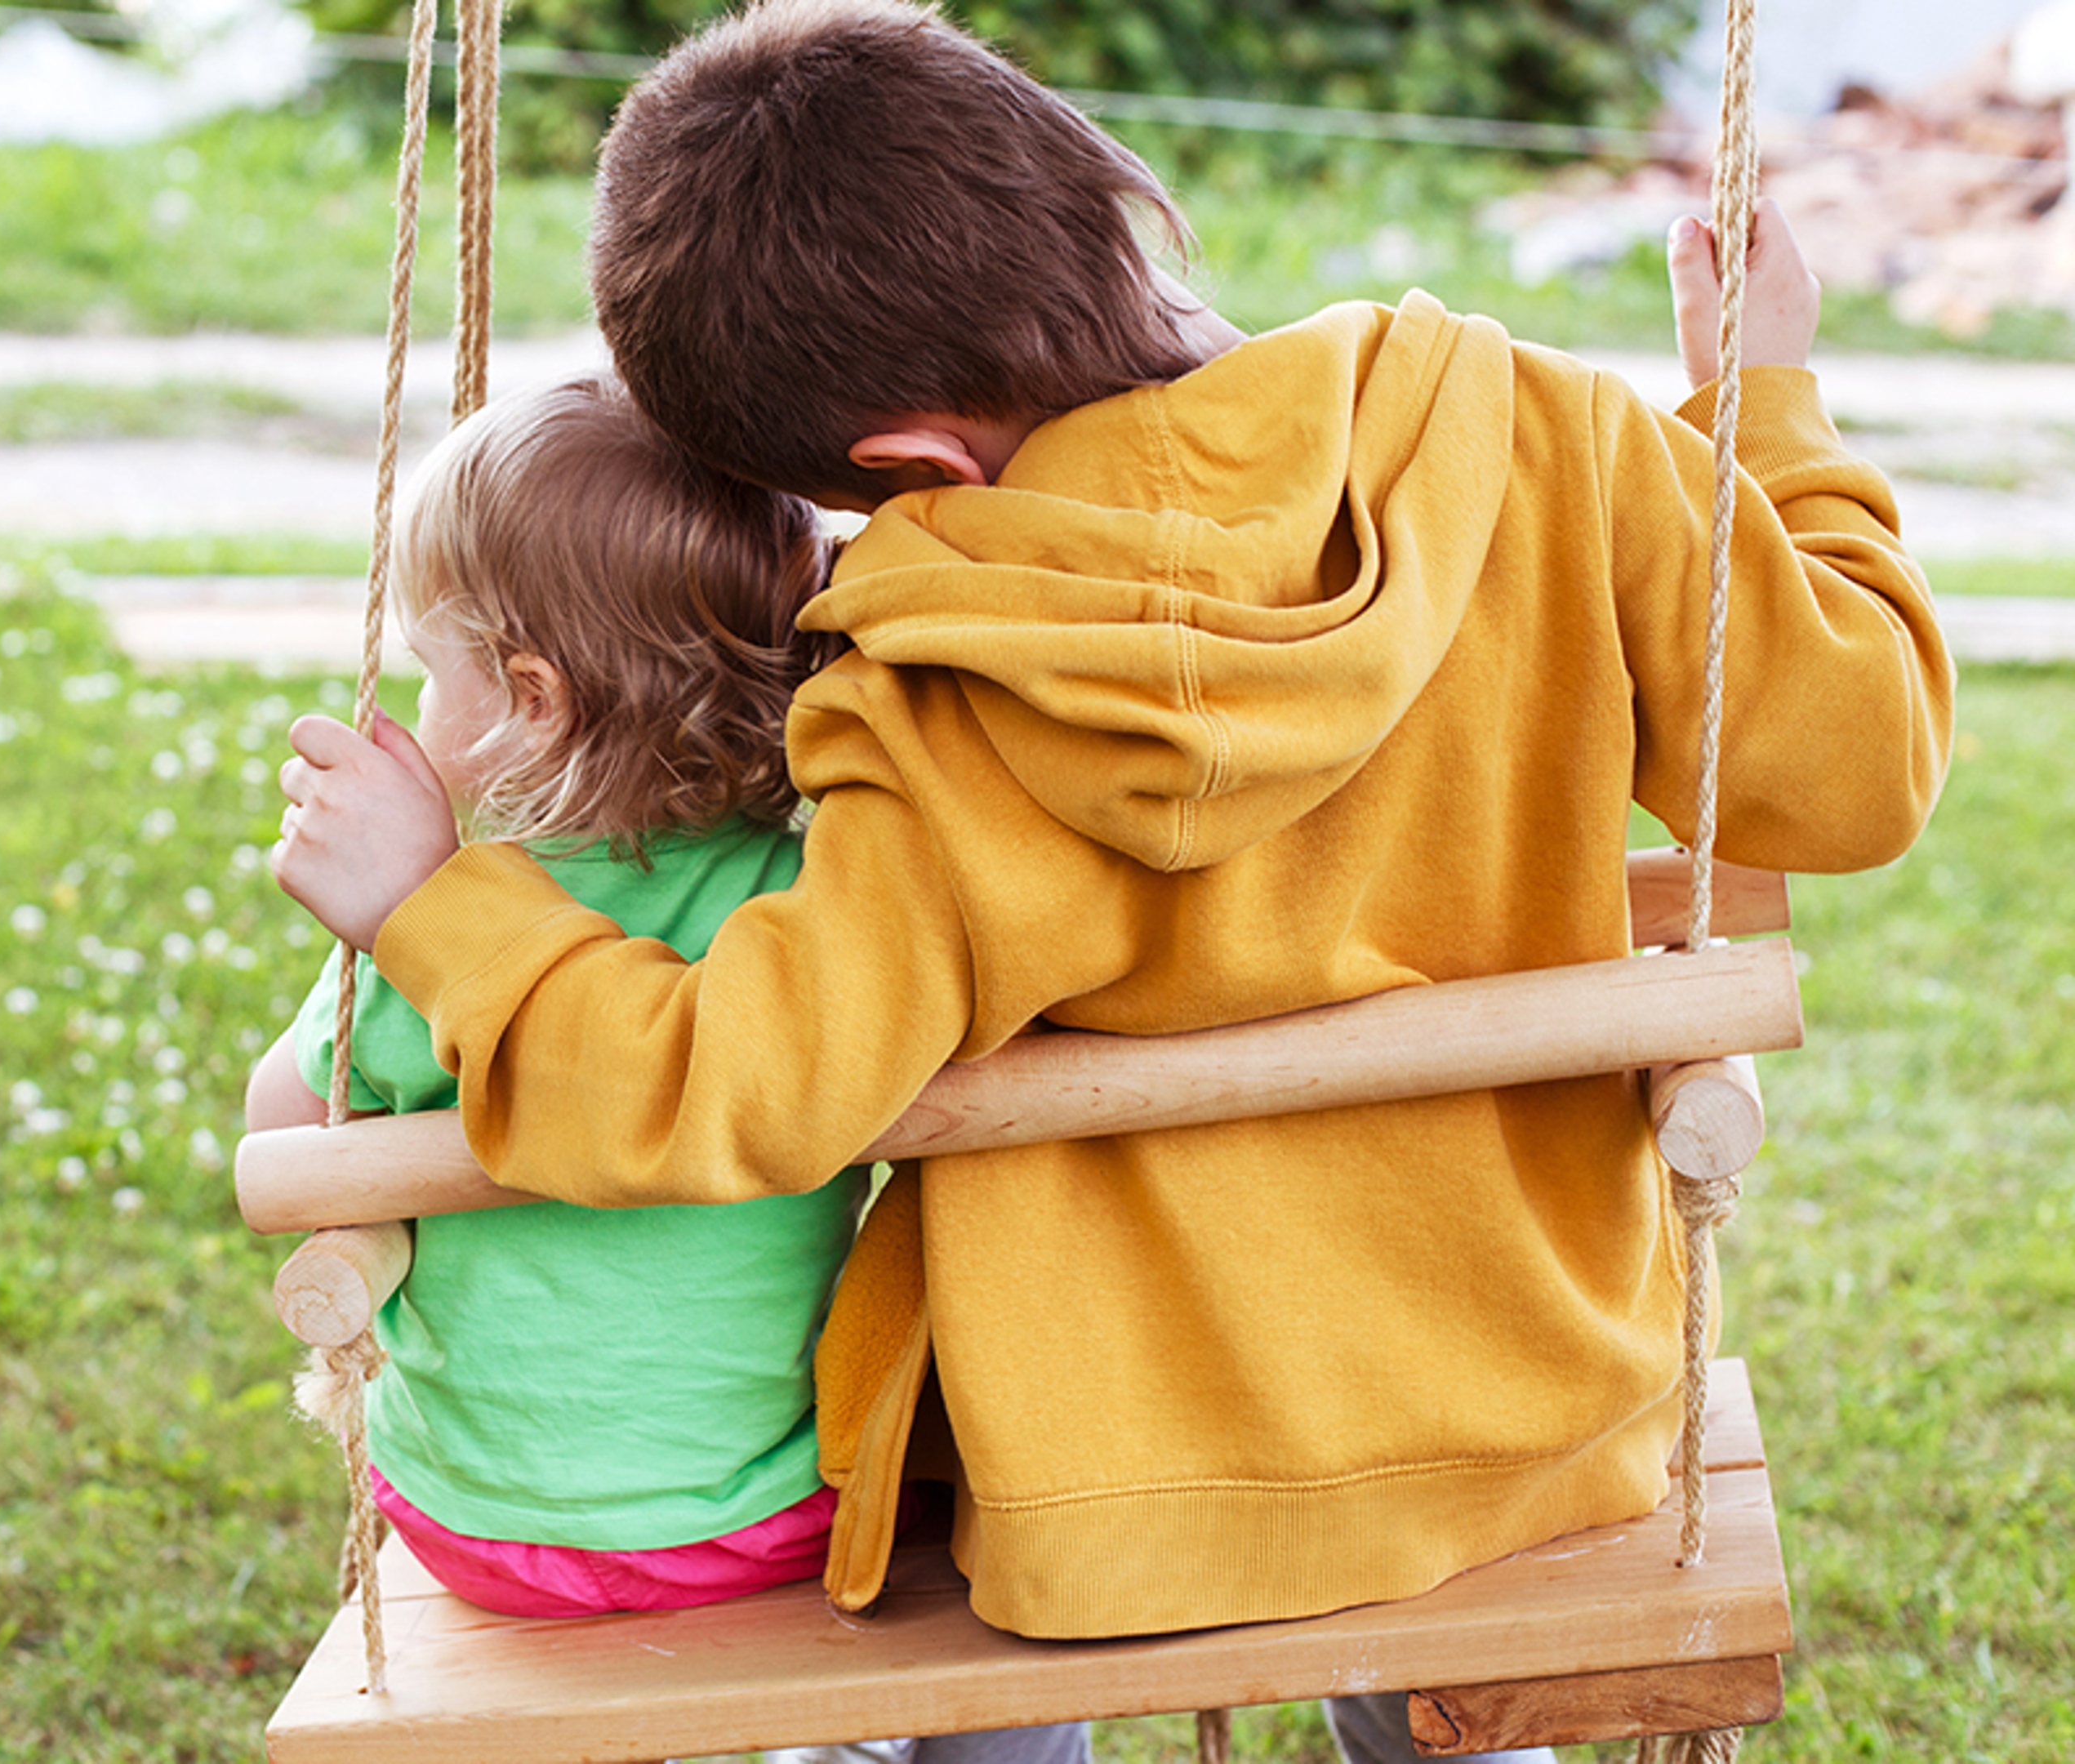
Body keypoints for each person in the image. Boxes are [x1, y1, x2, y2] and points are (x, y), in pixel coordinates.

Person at [267, 1, 1955, 1758]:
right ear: (1110, 194)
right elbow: (1862, 762)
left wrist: (433, 904)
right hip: (1531, 1416)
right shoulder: (1537, 435)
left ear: (917, 464)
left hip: (1116, 1506)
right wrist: (1764, 404)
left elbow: (726, 1091)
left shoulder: (939, 694)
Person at [244, 373, 1084, 1764]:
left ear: (525, 699)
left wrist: (382, 925)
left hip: (485, 1532)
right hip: (773, 1518)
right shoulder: (814, 905)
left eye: (430, 670)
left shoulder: (435, 936)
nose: (411, 701)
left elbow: (286, 1141)